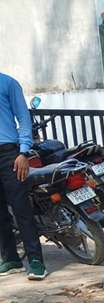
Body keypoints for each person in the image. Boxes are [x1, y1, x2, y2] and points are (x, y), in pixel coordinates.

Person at [0, 71, 46, 280]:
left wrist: (23, 152)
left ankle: (36, 261)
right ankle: (11, 258)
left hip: (9, 154)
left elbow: (23, 118)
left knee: (21, 208)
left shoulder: (8, 83)